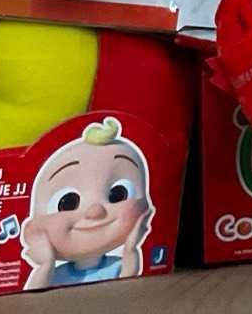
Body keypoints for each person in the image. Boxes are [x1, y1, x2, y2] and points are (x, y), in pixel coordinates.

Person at [21, 119, 153, 289]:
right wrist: (45, 266)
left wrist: (131, 248)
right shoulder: (56, 274)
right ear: (33, 229)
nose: (95, 212)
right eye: (68, 202)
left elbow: (129, 280)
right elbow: (35, 293)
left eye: (118, 194)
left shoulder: (117, 265)